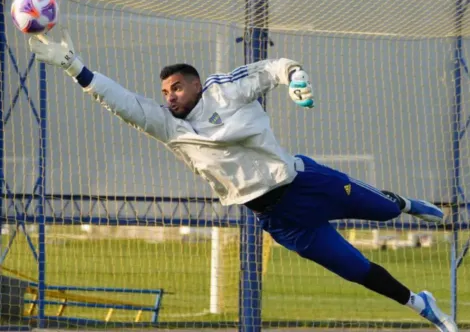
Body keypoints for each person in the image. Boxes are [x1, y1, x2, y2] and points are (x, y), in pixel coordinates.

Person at [29, 27, 457, 332]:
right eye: (164, 92)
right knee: (356, 270)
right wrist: (72, 65)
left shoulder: (223, 89)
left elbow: (276, 67)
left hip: (304, 182)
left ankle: (403, 203)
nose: (169, 97)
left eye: (176, 88)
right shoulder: (167, 125)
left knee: (384, 211)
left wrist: (296, 79)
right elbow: (119, 100)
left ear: (196, 84)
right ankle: (424, 307)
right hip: (280, 219)